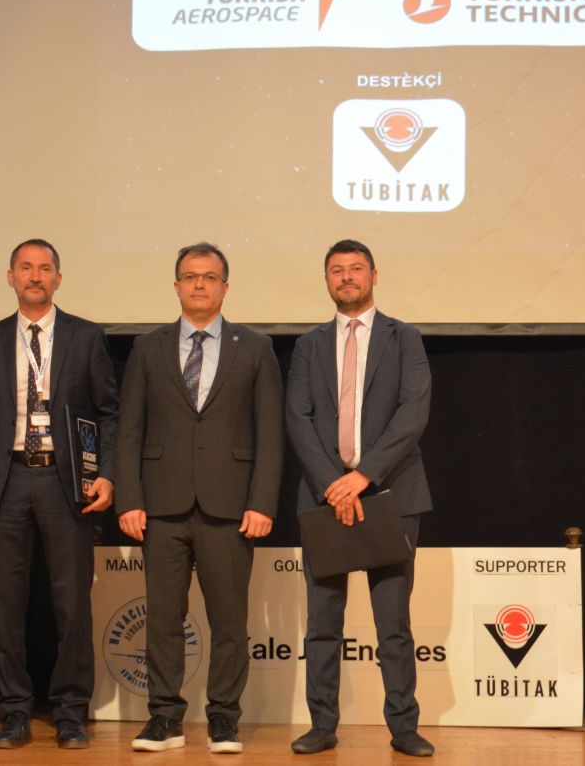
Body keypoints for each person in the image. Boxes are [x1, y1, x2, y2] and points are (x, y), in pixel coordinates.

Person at [114, 241, 283, 754]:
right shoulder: (148, 347)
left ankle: (224, 718)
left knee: (229, 620)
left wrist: (262, 502)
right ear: (176, 286)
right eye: (190, 277)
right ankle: (164, 719)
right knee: (163, 619)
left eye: (210, 277)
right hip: (160, 506)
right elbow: (129, 429)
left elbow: (270, 433)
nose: (200, 285)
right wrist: (129, 499)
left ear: (225, 287)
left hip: (230, 507)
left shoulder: (254, 347)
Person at [0, 238, 119, 749]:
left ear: (58, 279)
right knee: (4, 604)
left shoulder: (86, 336)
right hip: (5, 481)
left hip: (64, 482)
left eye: (44, 268)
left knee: (71, 603)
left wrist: (108, 474)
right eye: (26, 268)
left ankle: (71, 712)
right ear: (10, 277)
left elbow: (109, 413)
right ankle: (14, 711)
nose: (35, 276)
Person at [284, 239, 434, 758]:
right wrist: (335, 482)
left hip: (391, 495)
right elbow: (298, 418)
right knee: (323, 624)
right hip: (324, 496)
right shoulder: (308, 345)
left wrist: (363, 476)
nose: (346, 277)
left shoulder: (404, 338)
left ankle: (404, 728)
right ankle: (322, 725)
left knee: (393, 625)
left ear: (373, 275)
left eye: (355, 269)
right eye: (336, 270)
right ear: (327, 280)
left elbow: (413, 413)